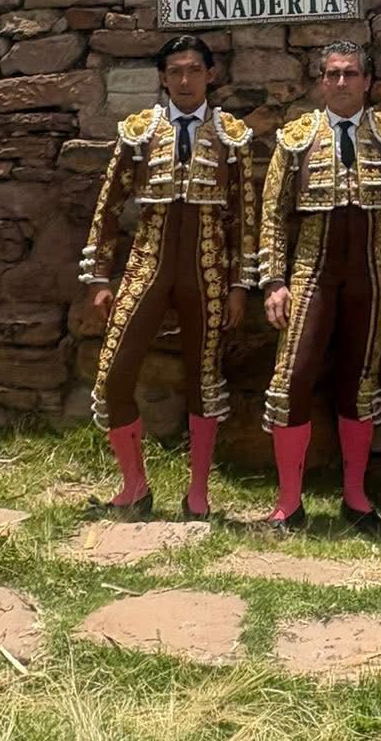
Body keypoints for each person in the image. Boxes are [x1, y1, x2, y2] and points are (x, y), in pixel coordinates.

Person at [80, 35, 257, 521]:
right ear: (163, 78)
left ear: (210, 75)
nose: (184, 79)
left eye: (194, 70)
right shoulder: (139, 133)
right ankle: (134, 487)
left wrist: (239, 285)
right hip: (148, 264)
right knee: (114, 375)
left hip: (208, 271)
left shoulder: (232, 137)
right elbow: (109, 205)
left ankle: (198, 493)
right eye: (175, 71)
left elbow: (245, 217)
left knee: (205, 379)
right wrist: (99, 277)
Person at [259, 41, 381, 532]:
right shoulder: (297, 138)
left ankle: (355, 496)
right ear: (320, 81)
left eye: (350, 74)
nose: (341, 82)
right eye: (332, 74)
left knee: (361, 380)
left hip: (373, 273)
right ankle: (289, 502)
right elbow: (273, 212)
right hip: (311, 270)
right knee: (292, 378)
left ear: (367, 81)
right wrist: (273, 280)